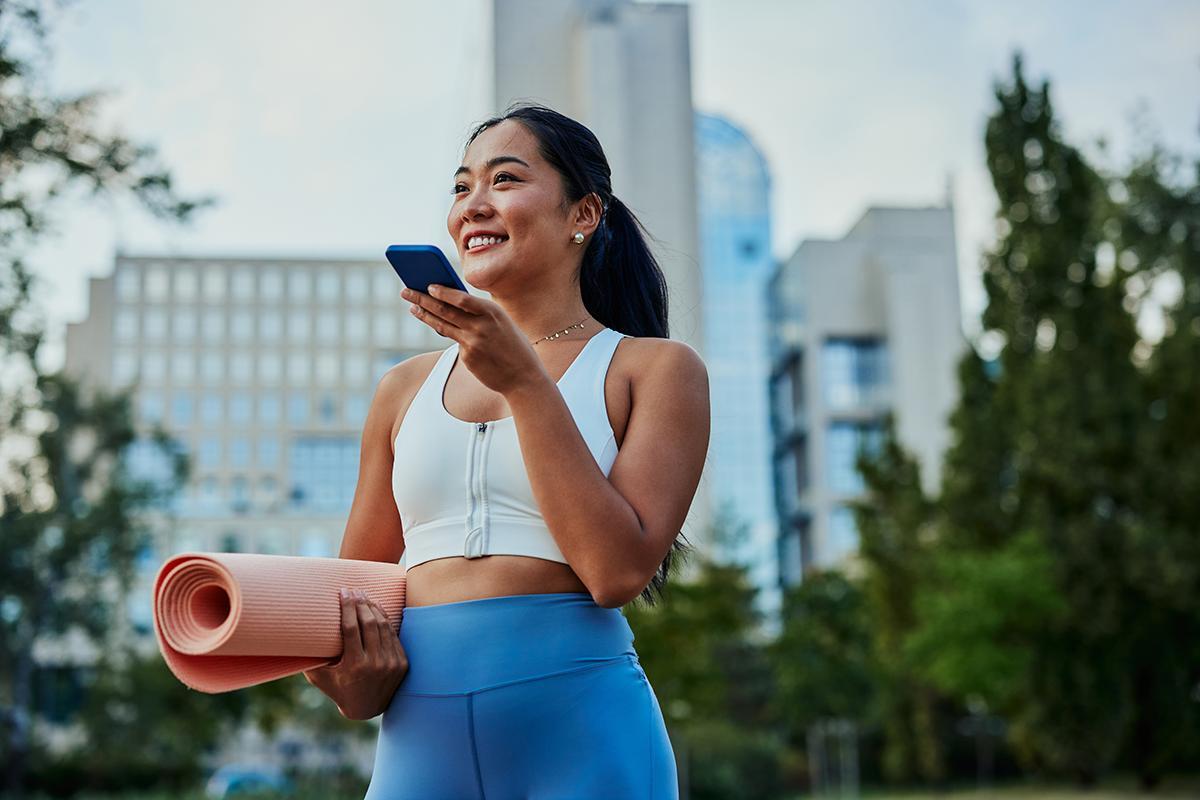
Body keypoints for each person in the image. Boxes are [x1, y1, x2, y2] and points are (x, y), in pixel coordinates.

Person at [303, 103, 710, 800]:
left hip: (585, 736)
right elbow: (359, 596)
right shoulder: (401, 390)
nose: (473, 206)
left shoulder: (656, 371)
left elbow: (615, 572)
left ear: (583, 214)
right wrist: (346, 676)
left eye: (504, 180)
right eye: (462, 188)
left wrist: (524, 381)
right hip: (418, 742)